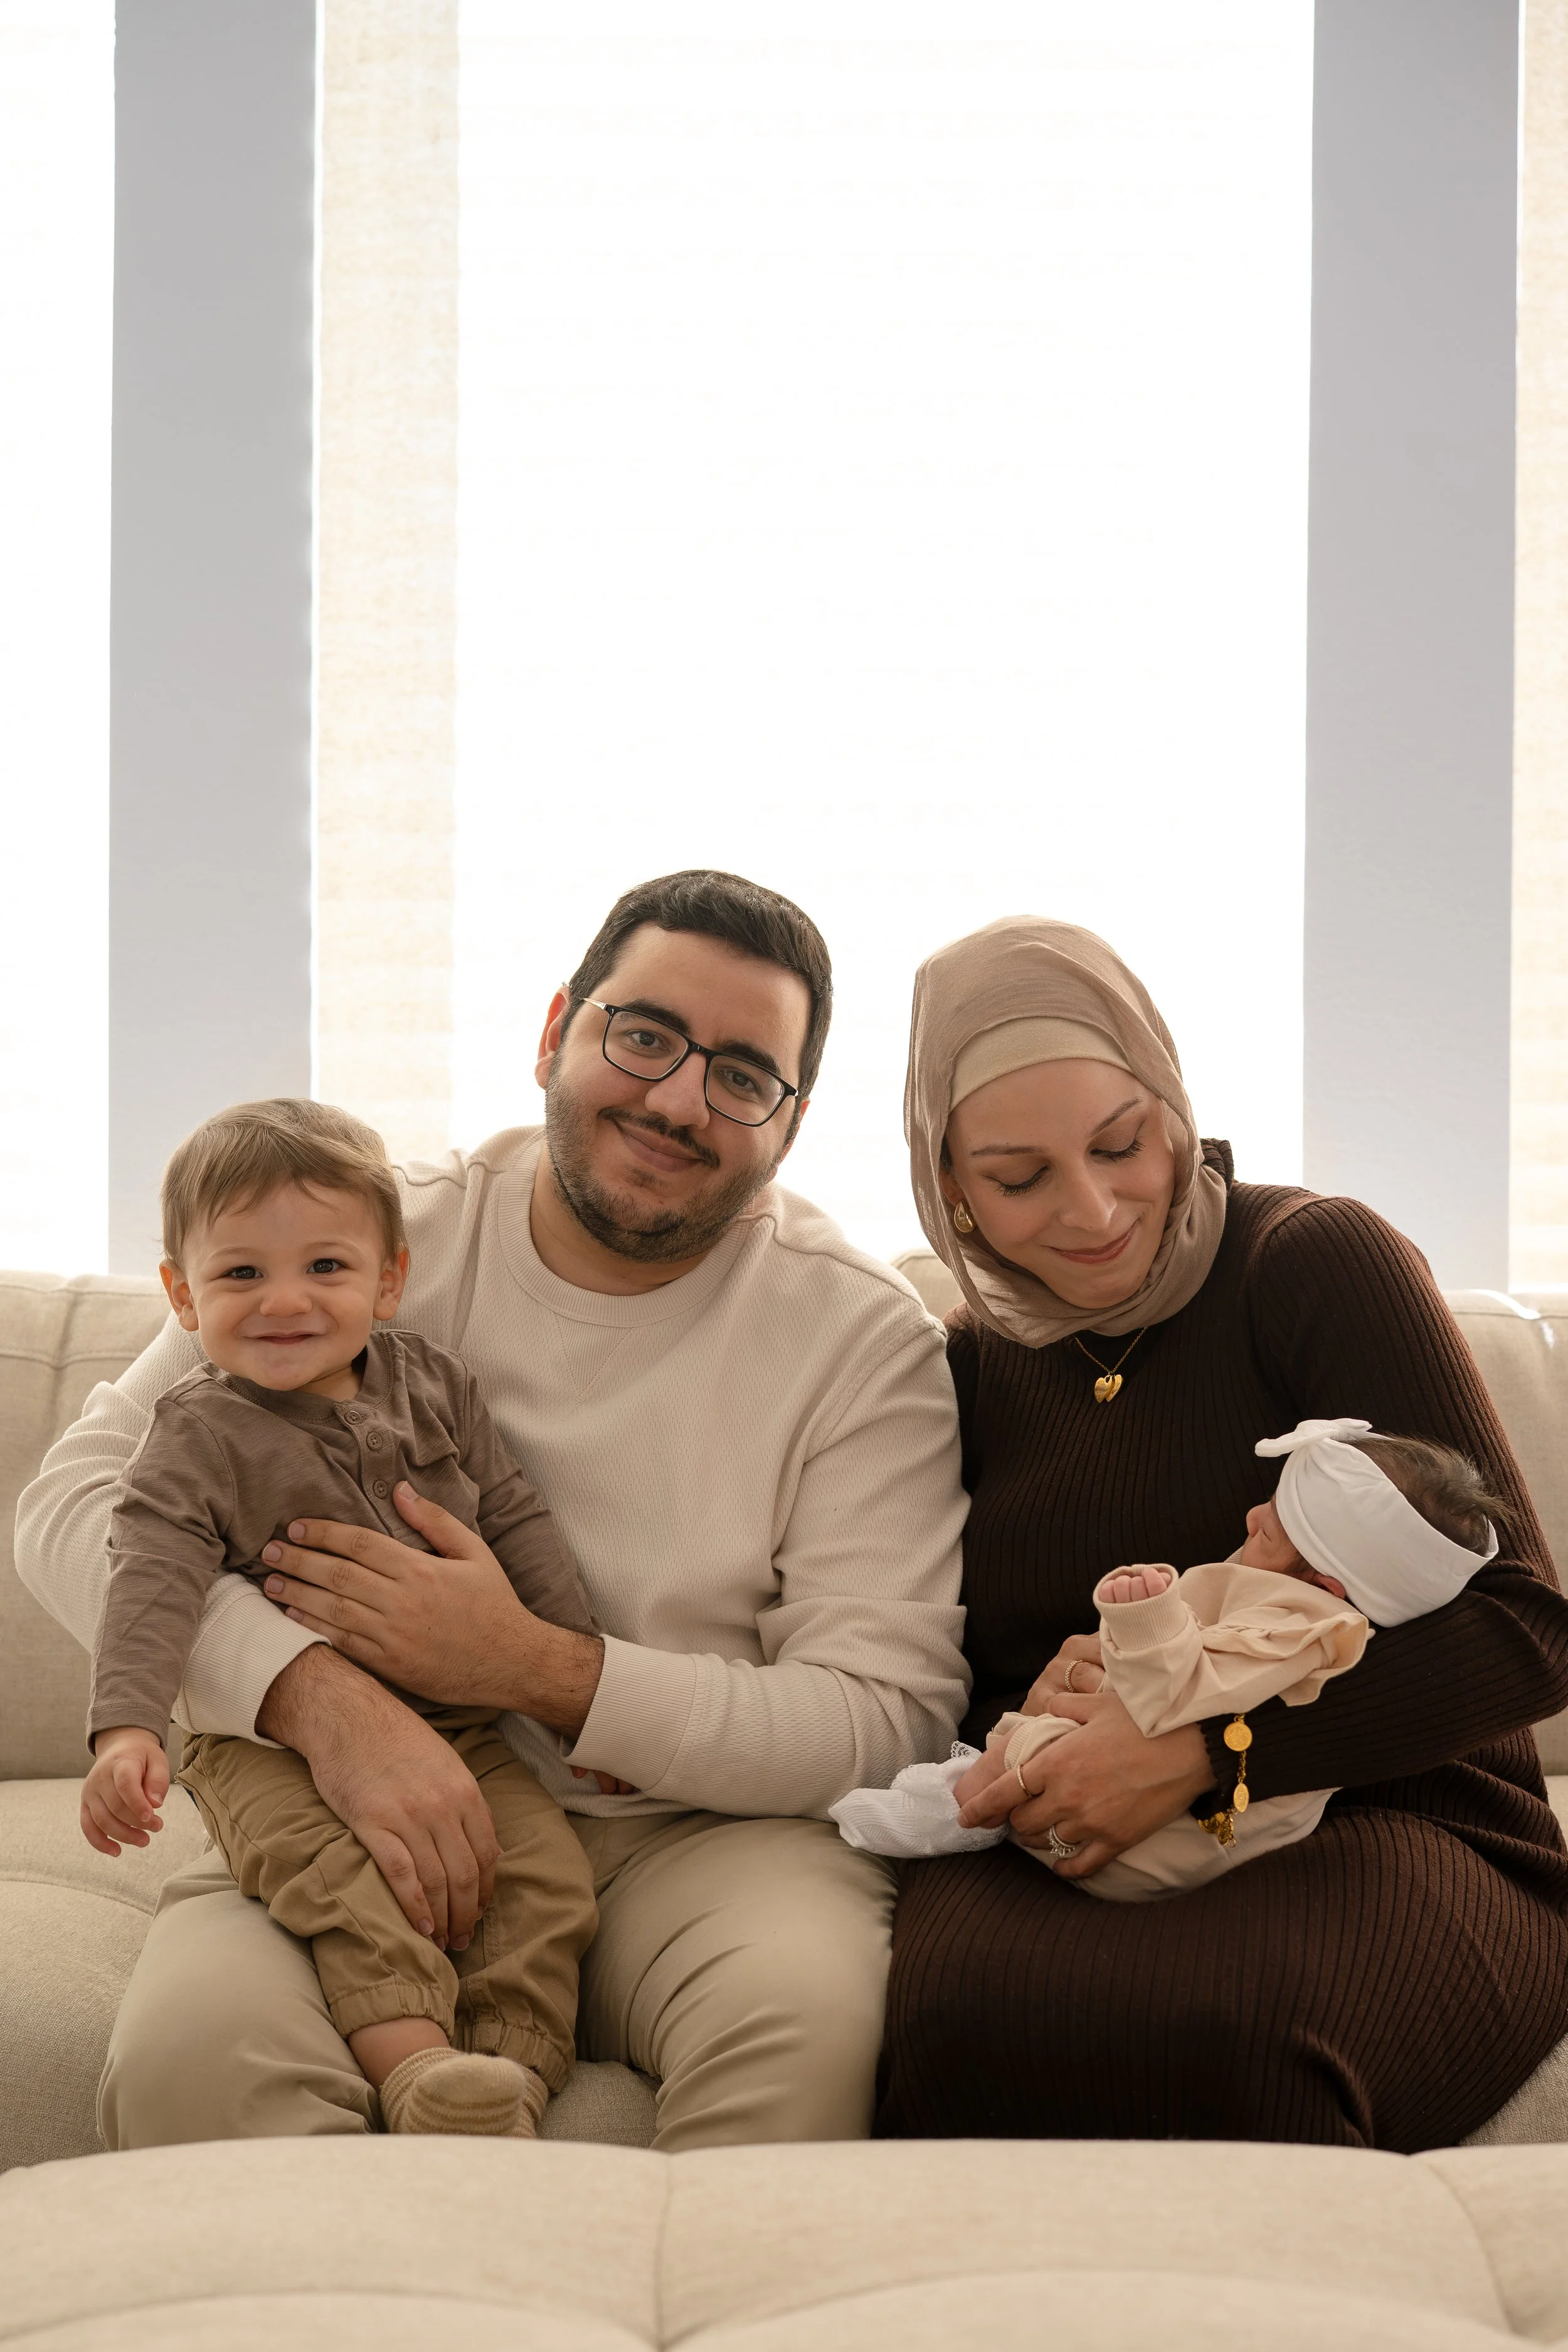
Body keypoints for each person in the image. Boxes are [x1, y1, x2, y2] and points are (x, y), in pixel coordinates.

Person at [18, 869, 969, 2152]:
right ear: (554, 1033)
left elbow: (885, 1717)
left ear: (788, 1127)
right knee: (197, 2068)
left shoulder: (858, 1339)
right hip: (344, 1804)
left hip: (693, 1842)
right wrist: (323, 1699)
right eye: (642, 1036)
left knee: (802, 2038)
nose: (679, 1098)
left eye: (743, 1075)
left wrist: (535, 1668)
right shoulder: (360, 1237)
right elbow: (75, 1506)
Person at [876, 914, 1568, 2149]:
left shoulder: (1307, 1264)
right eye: (1018, 1177)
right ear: (953, 1195)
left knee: (1240, 2034)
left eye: (1118, 1144)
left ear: (1169, 1107)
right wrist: (1044, 1702)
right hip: (1087, 1812)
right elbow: (961, 1686)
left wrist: (1211, 1751)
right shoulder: (970, 1367)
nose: (1090, 1210)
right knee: (951, 2023)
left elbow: (1527, 1628)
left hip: (1393, 1815)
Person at [82, 1098, 601, 2139]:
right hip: (264, 1748)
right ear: (182, 1297)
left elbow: (519, 1521)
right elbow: (147, 1581)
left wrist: (581, 1684)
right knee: (350, 1881)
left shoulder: (437, 1388)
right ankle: (416, 2073)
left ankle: (505, 2080)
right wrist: (128, 1729)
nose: (285, 1302)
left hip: (460, 1721)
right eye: (241, 1275)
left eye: (325, 1268)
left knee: (545, 1876)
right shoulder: (196, 1435)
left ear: (388, 1282)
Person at [950, 1422, 1502, 1900]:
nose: (1251, 1515)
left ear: (1322, 1583)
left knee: (1001, 1767)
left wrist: (1149, 1619)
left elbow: (1181, 1695)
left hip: (1148, 1846)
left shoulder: (1298, 1625)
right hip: (1160, 1835)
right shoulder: (1296, 1600)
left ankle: (944, 1810)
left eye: (1267, 1528)